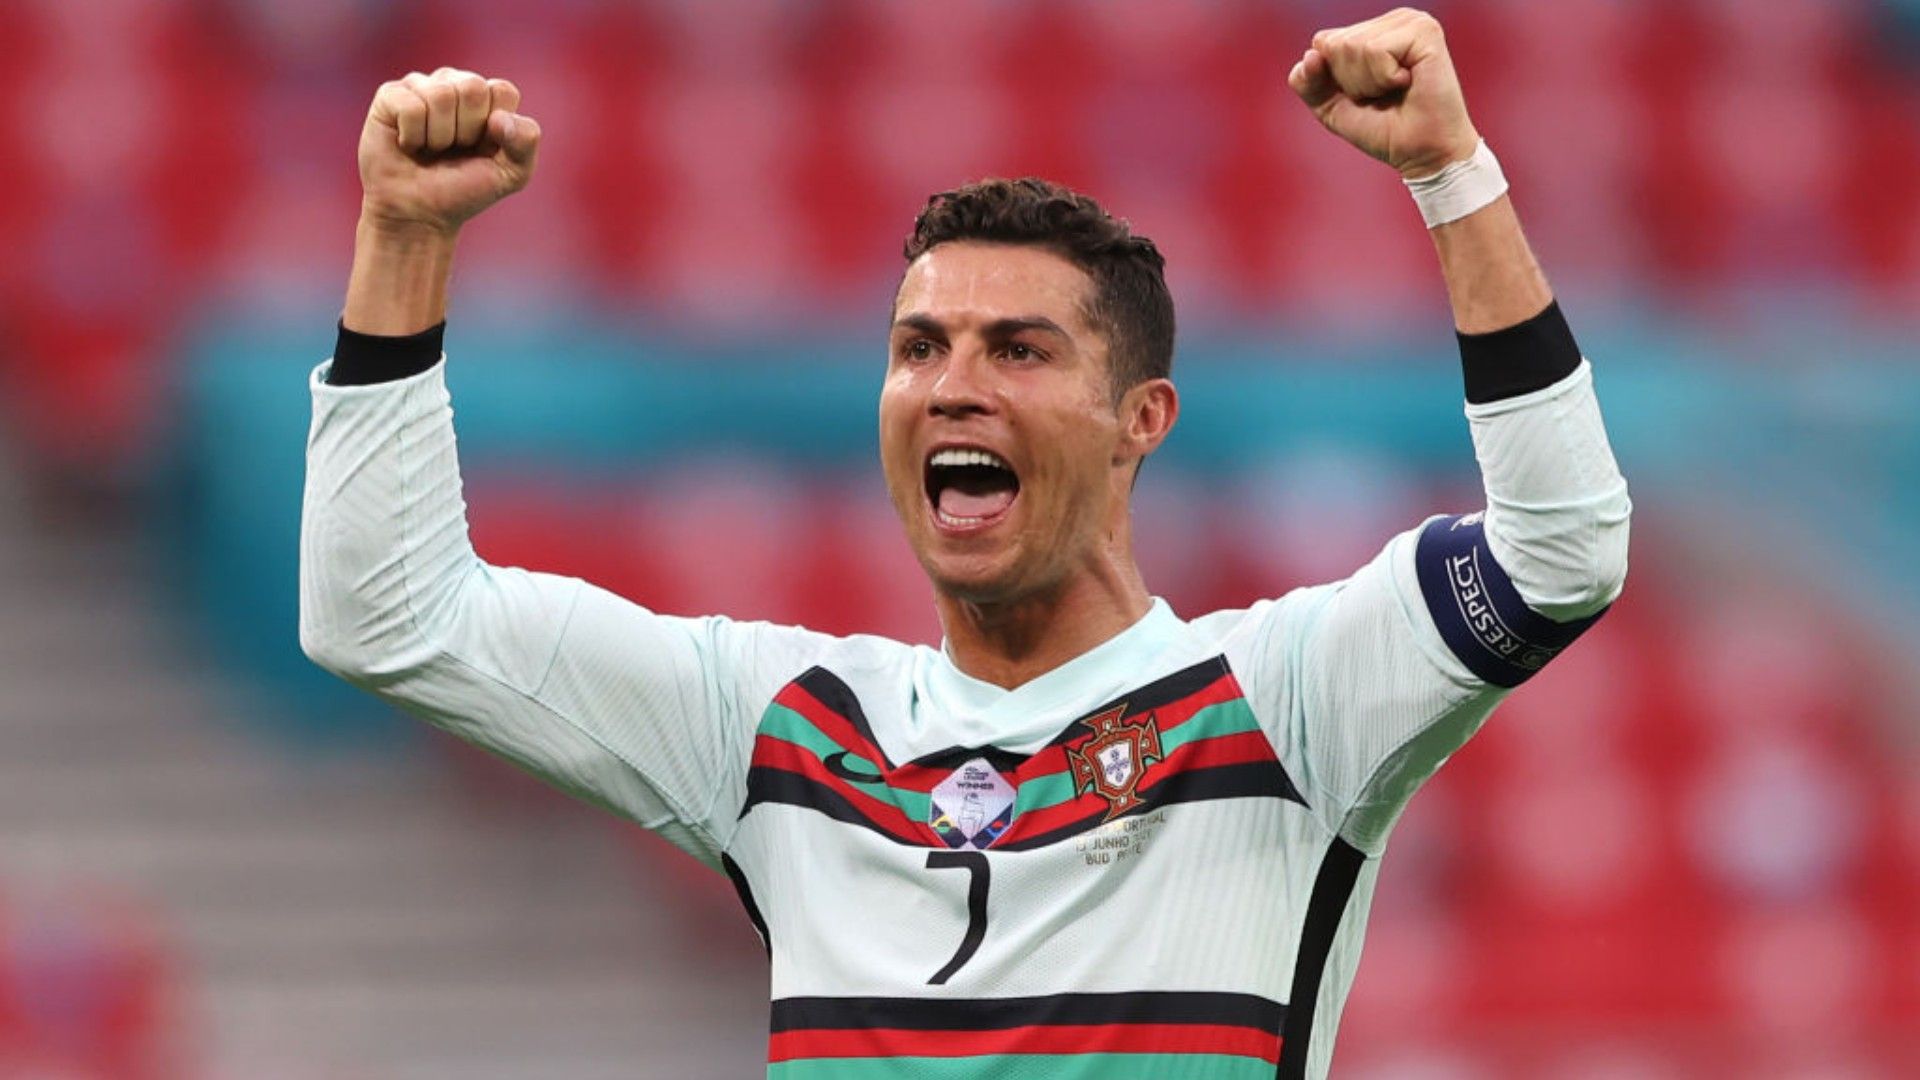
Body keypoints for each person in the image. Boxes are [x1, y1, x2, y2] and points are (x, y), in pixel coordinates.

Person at [299, 8, 1630, 1079]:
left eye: (1019, 350)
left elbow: (1564, 551)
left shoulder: (1286, 700)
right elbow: (385, 616)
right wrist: (403, 244)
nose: (952, 387)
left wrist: (1453, 176)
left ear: (1140, 420)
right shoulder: (780, 732)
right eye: (919, 347)